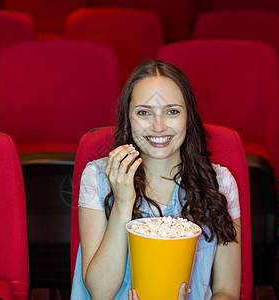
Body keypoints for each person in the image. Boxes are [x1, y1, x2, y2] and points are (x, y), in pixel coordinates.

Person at [71, 60, 241, 300]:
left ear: (188, 117)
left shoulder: (221, 183)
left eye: (172, 111)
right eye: (144, 112)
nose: (159, 126)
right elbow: (99, 292)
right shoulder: (98, 177)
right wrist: (122, 202)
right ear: (128, 119)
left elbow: (227, 290)